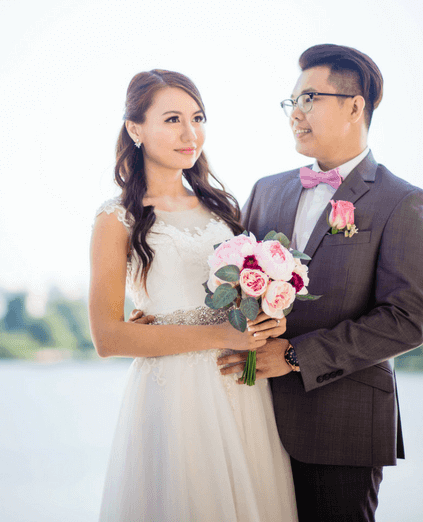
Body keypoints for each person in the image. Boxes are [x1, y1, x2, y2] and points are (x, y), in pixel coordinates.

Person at [216, 44, 423, 522]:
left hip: (341, 427)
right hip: (251, 417)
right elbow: (234, 291)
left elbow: (408, 321)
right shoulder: (266, 190)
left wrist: (295, 356)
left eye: (309, 98)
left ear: (355, 106)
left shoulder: (403, 201)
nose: (295, 113)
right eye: (291, 101)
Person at [89, 70, 298, 522]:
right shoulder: (117, 218)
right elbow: (108, 338)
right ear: (134, 129)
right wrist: (221, 335)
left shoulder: (226, 209)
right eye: (172, 120)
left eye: (198, 118)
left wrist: (270, 320)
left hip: (243, 390)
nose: (190, 133)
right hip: (175, 395)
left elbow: (249, 297)